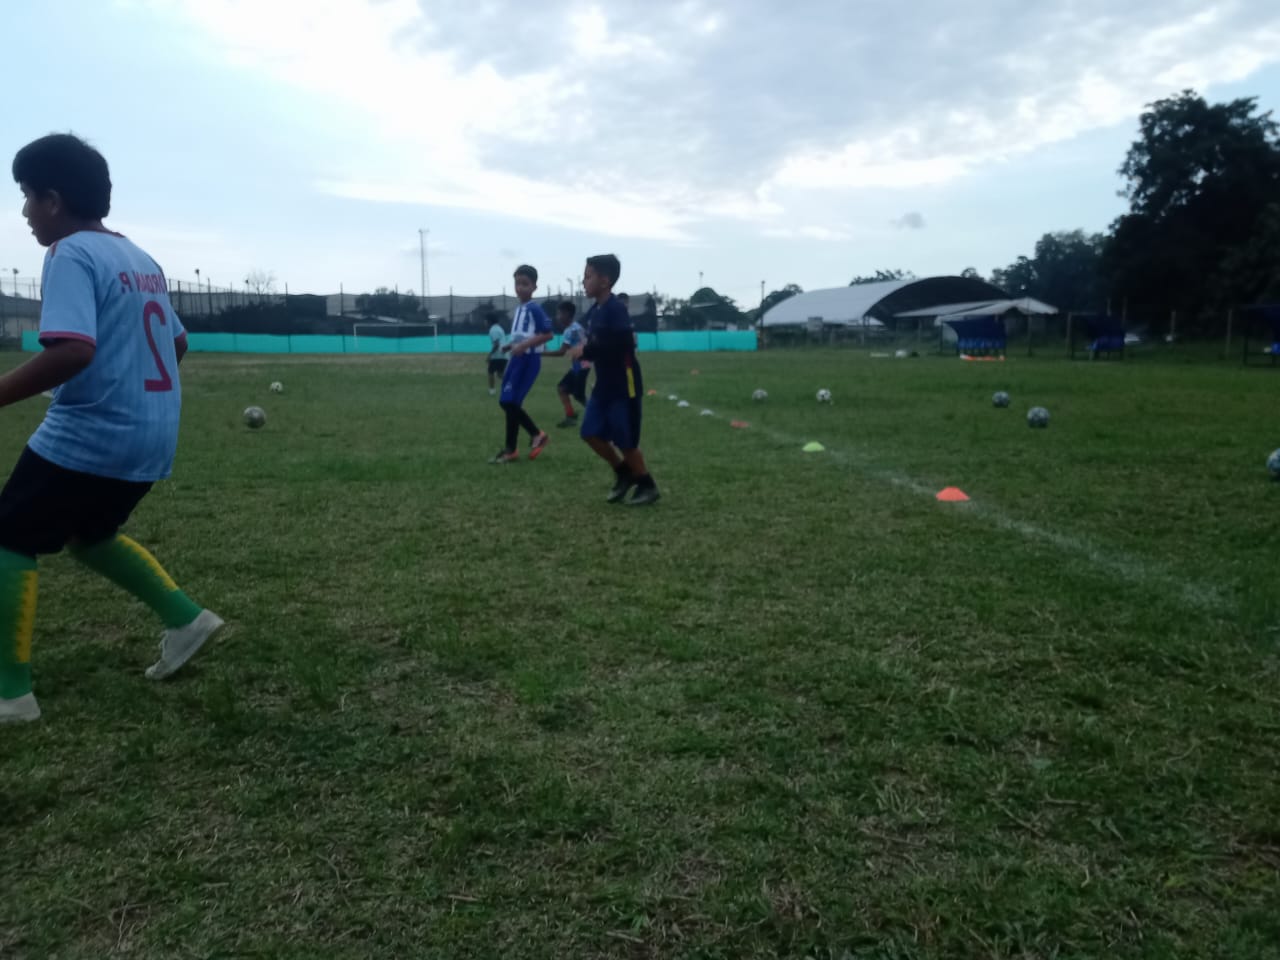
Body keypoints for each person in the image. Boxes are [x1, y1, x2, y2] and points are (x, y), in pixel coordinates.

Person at [1, 133, 223, 724]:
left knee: (9, 537)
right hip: (150, 435)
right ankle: (185, 619)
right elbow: (177, 341)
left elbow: (73, 349)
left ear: (53, 200)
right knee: (90, 533)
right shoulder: (140, 259)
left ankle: (11, 695)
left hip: (89, 433)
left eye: (27, 197)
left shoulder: (69, 253)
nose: (24, 212)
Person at [569, 255, 659, 505]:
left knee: (625, 439)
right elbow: (593, 342)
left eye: (588, 277)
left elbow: (624, 343)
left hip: (623, 384)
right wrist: (584, 350)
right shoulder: (596, 311)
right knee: (589, 432)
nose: (583, 282)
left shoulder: (615, 308)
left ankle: (647, 484)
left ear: (605, 280)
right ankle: (623, 472)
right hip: (604, 384)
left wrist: (587, 350)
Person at [490, 265, 553, 463]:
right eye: (517, 283)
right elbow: (523, 336)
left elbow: (547, 334)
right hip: (516, 359)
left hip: (528, 360)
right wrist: (511, 345)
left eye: (525, 284)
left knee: (508, 402)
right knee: (508, 402)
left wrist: (524, 346)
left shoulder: (535, 308)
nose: (520, 288)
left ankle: (536, 434)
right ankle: (511, 450)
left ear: (534, 287)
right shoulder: (519, 309)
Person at [542, 300, 589, 427]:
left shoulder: (570, 330)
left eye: (559, 314)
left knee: (578, 395)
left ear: (567, 314)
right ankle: (570, 416)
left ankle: (599, 415)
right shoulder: (577, 326)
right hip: (581, 365)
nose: (558, 317)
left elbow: (561, 352)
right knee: (562, 388)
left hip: (581, 365)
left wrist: (542, 353)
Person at [486, 313, 507, 395]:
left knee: (490, 371)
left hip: (497, 355)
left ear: (489, 321)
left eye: (486, 320)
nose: (485, 322)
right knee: (500, 374)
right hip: (504, 355)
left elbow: (496, 344)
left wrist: (490, 355)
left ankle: (492, 391)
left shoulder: (493, 330)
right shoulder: (500, 328)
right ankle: (511, 385)